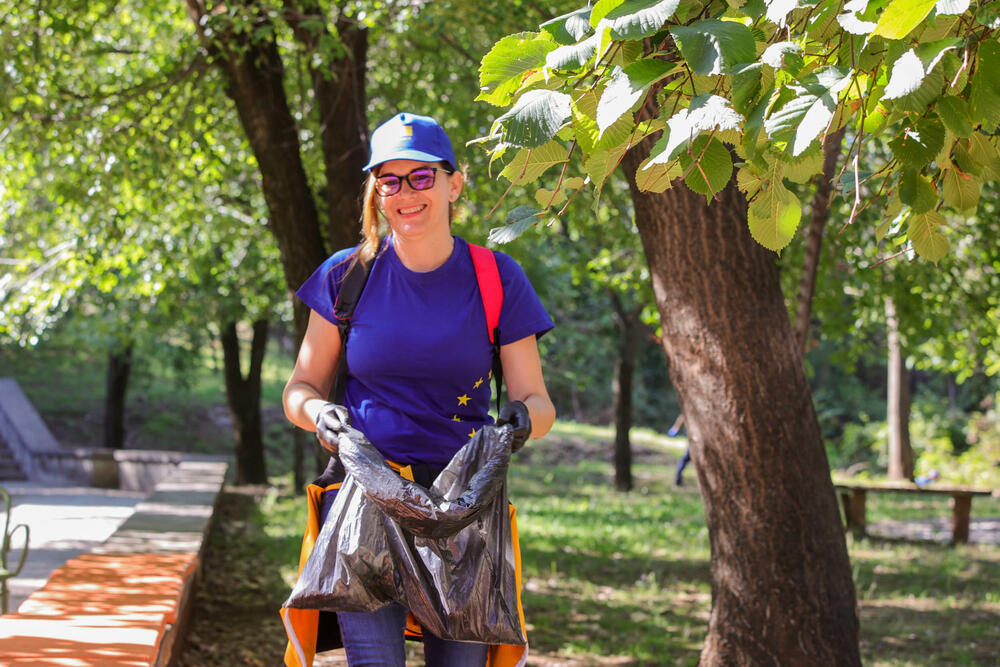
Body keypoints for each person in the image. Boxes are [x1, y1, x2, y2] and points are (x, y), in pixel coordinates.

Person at [281, 112, 556, 667]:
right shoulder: (346, 275)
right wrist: (321, 414)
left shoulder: (497, 279)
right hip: (364, 504)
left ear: (455, 183)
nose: (406, 193)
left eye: (422, 177)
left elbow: (537, 400)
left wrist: (521, 423)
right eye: (390, 179)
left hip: (462, 516)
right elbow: (300, 388)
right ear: (376, 191)